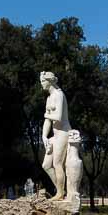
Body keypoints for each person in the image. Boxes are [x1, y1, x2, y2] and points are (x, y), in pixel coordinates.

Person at [40, 72, 72, 200]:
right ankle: (61, 190)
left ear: (50, 81)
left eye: (43, 81)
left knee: (57, 163)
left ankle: (60, 193)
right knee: (46, 165)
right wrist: (44, 136)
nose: (41, 84)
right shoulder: (49, 98)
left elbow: (57, 117)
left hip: (64, 133)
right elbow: (48, 121)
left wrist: (45, 115)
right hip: (55, 136)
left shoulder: (59, 95)